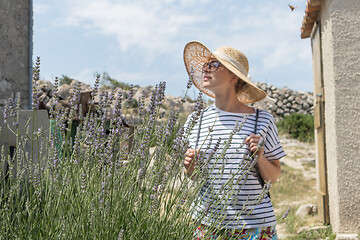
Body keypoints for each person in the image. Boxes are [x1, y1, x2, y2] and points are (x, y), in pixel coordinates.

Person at [182, 41, 285, 239]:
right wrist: (189, 166)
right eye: (206, 64)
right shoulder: (196, 120)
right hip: (208, 225)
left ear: (233, 76)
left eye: (214, 64)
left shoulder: (261, 120)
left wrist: (261, 157)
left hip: (255, 228)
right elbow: (194, 177)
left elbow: (273, 177)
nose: (206, 67)